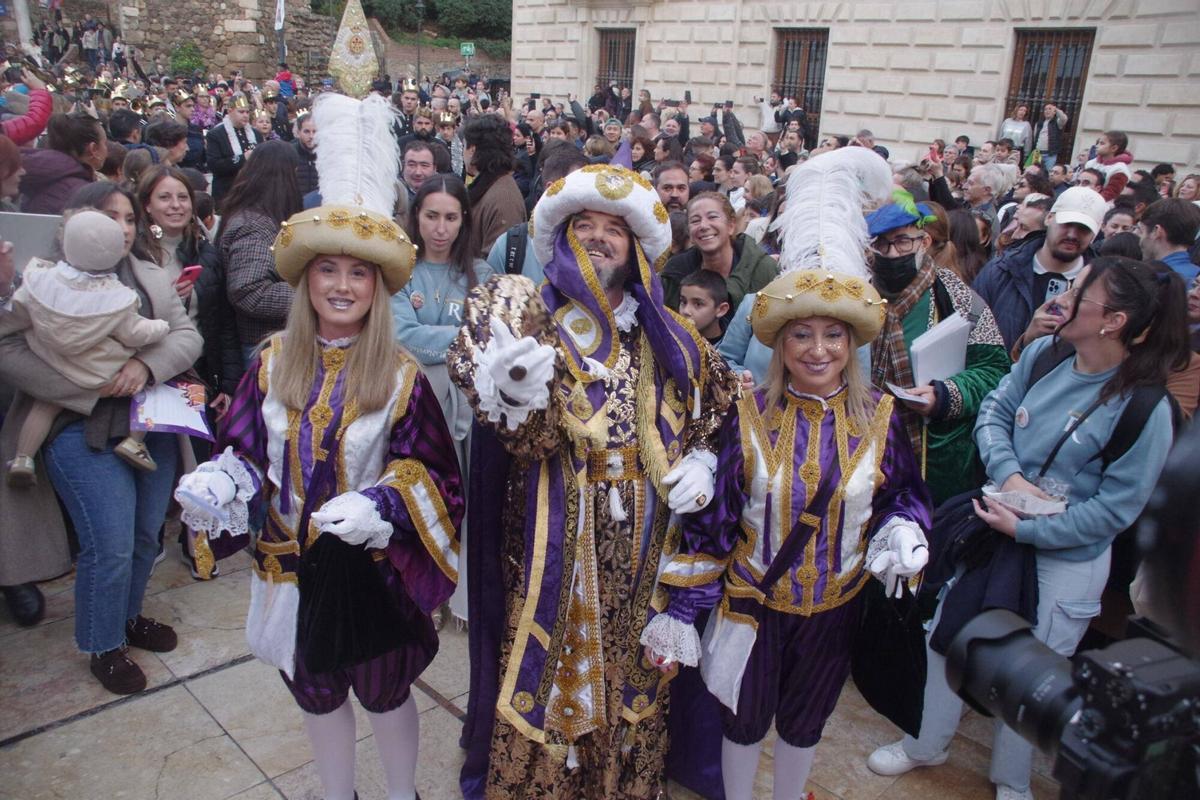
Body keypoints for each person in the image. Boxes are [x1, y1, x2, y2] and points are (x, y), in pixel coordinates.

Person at [174, 91, 461, 800]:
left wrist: (381, 504)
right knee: (314, 689)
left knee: (384, 691)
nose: (341, 285)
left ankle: (401, 794)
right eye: (328, 270)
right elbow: (247, 447)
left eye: (358, 272)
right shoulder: (272, 363)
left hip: (369, 570)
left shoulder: (400, 376)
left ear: (377, 287)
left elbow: (434, 475)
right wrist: (224, 478)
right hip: (289, 568)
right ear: (305, 281)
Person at [646, 145, 932, 800]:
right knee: (742, 721)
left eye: (833, 335)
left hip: (836, 609)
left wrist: (903, 531)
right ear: (781, 344)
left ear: (851, 344)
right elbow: (715, 522)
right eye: (803, 334)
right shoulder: (746, 415)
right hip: (754, 605)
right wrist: (683, 609)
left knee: (806, 725)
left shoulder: (881, 417)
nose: (818, 349)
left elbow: (903, 497)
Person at [449, 164, 738, 799]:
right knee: (551, 672)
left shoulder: (669, 333)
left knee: (636, 673)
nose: (600, 238)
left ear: (635, 248)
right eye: (586, 225)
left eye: (614, 229)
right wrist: (513, 390)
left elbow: (720, 408)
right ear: (562, 236)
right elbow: (525, 433)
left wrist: (705, 458)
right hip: (554, 539)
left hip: (646, 546)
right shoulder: (530, 315)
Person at [869, 256, 1188, 800]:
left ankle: (1012, 781)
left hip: (1064, 560)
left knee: (1031, 673)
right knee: (945, 634)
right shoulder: (1045, 354)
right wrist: (1012, 479)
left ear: (1113, 321)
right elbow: (995, 411)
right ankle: (925, 743)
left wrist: (1032, 529)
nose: (1059, 299)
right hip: (994, 530)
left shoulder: (1145, 408)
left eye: (1078, 293)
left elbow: (1116, 510)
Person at [0, 181, 202, 691]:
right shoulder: (41, 278)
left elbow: (186, 336)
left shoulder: (150, 275)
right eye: (110, 217)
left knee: (145, 533)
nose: (122, 228)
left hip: (149, 419)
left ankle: (127, 618)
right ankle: (103, 643)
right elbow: (8, 347)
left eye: (129, 218)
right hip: (75, 423)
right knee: (108, 542)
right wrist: (86, 389)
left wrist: (144, 367)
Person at [1, 210, 169, 484]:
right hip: (99, 372)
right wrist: (161, 327)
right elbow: (135, 333)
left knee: (44, 407)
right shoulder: (115, 298)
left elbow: (17, 311)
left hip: (52, 362)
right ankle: (134, 441)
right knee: (144, 388)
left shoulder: (41, 281)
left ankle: (23, 458)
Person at [392, 175, 494, 627]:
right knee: (421, 497)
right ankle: (422, 589)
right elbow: (401, 336)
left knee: (468, 501)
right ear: (416, 216)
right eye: (431, 215)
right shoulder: (399, 270)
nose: (440, 228)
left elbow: (490, 335)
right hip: (416, 411)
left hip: (471, 410)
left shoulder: (481, 274)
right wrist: (462, 338)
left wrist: (438, 340)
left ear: (464, 220)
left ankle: (464, 593)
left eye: (451, 217)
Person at [867, 191, 1010, 505]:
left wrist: (944, 395)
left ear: (924, 242)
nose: (892, 253)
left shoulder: (957, 296)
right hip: (862, 444)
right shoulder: (856, 291)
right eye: (882, 244)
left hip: (934, 455)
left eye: (902, 241)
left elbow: (995, 370)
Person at [977, 186, 1108, 357]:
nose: (1072, 234)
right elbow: (970, 336)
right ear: (1049, 218)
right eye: (1067, 224)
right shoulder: (1001, 270)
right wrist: (1024, 342)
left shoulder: (1101, 287)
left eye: (1083, 229)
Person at [217, 140, 302, 366]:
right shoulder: (254, 225)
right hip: (263, 345)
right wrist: (309, 293)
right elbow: (250, 291)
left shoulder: (258, 218)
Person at [661, 191, 778, 322]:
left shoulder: (763, 269)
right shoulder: (675, 272)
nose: (703, 226)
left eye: (712, 217)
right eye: (695, 221)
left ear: (731, 225)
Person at [463, 114, 526, 259]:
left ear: (472, 150)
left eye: (463, 146)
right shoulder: (489, 185)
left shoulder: (504, 199)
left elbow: (497, 262)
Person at [19, 112, 106, 214]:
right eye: (105, 143)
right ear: (93, 149)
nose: (106, 149)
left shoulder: (42, 173)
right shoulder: (81, 194)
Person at [206, 94, 263, 203]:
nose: (245, 115)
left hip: (252, 192)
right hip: (226, 192)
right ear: (230, 111)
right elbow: (214, 165)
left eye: (247, 112)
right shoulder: (216, 134)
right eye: (241, 112)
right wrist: (242, 158)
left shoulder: (256, 134)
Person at [1136, 198, 1200, 281]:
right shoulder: (1196, 276)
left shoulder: (1151, 279)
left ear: (1156, 231)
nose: (1138, 237)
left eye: (1141, 231)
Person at [677, 268, 730, 346]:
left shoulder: (732, 345)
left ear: (721, 310)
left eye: (698, 304)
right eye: (683, 302)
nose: (686, 311)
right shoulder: (672, 339)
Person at [1031, 103, 1068, 170]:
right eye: (1045, 109)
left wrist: (1056, 109)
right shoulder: (1039, 123)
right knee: (1033, 172)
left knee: (1048, 172)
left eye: (1050, 109)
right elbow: (1035, 137)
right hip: (1037, 153)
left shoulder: (1057, 122)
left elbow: (1064, 118)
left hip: (1050, 154)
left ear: (1054, 112)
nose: (1047, 111)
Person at [293, 111, 318, 197]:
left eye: (314, 132)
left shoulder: (326, 155)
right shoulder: (290, 153)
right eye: (306, 131)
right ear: (298, 132)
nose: (311, 136)